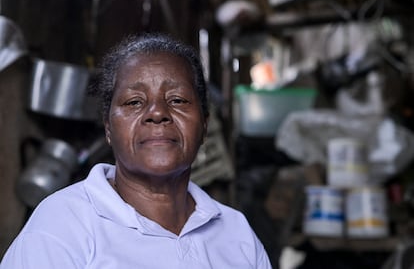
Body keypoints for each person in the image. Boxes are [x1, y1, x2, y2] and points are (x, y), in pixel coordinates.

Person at [0, 33, 272, 268]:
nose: (156, 113)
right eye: (134, 102)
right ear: (108, 127)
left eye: (177, 100)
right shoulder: (63, 225)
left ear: (203, 126)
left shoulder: (237, 233)